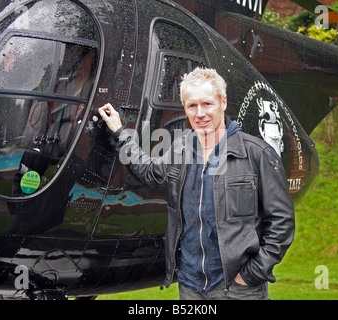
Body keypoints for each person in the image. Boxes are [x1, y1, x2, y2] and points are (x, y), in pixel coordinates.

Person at [98, 67, 294, 300]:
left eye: (207, 104)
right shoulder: (180, 150)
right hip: (191, 286)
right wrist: (120, 132)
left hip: (239, 288)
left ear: (223, 102)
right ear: (185, 108)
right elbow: (148, 171)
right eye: (192, 106)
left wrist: (251, 275)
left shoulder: (257, 153)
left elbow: (282, 223)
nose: (200, 113)